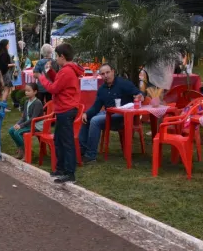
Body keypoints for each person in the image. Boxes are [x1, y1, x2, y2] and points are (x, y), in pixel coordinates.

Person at [35, 43, 83, 184]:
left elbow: (54, 88)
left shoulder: (66, 71)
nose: (55, 59)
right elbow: (59, 83)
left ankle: (69, 172)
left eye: (57, 56)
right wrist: (50, 72)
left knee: (66, 141)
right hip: (65, 108)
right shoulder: (67, 70)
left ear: (62, 56)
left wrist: (41, 77)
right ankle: (61, 168)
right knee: (59, 140)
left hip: (65, 109)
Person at [79, 63, 141, 163]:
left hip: (123, 117)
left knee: (95, 121)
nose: (106, 76)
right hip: (108, 116)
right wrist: (86, 113)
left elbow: (139, 93)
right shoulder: (102, 89)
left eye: (107, 72)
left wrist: (139, 96)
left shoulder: (123, 83)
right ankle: (81, 151)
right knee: (86, 119)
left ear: (113, 72)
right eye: (103, 74)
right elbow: (96, 107)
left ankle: (91, 156)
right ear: (100, 75)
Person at [9, 83, 45, 159]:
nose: (26, 92)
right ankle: (21, 150)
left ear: (35, 92)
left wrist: (21, 126)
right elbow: (24, 117)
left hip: (36, 125)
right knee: (11, 130)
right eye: (26, 91)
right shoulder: (26, 102)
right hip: (29, 124)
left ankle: (27, 152)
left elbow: (33, 118)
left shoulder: (37, 103)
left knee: (17, 133)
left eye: (29, 91)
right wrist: (17, 124)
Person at [0, 38, 15, 103]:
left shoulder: (0, 54)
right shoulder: (4, 54)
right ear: (5, 45)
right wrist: (13, 64)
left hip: (3, 74)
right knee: (6, 90)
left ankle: (4, 104)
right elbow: (4, 65)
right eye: (8, 44)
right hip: (5, 74)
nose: (9, 45)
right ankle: (3, 105)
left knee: (6, 90)